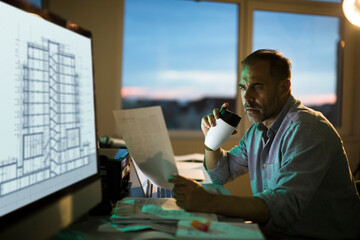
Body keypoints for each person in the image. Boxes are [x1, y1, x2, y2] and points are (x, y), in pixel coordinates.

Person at [168, 49, 360, 239]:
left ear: (284, 88)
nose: (247, 97)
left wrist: (210, 202)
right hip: (277, 232)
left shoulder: (306, 129)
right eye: (243, 87)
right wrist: (211, 142)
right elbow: (220, 175)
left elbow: (285, 206)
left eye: (257, 86)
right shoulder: (257, 131)